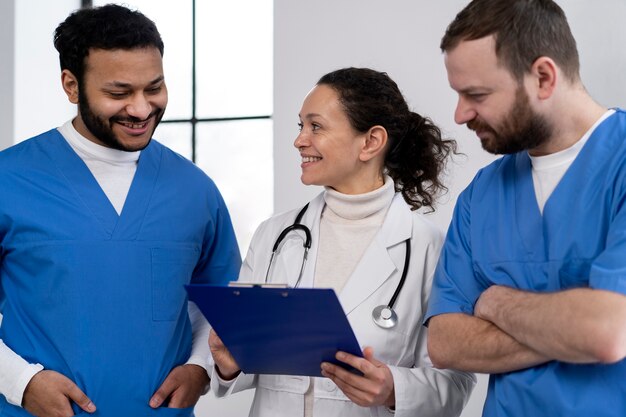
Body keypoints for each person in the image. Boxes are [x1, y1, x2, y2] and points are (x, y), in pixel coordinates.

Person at [0, 4, 241, 417]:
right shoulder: (10, 178)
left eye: (154, 88)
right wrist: (20, 382)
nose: (142, 109)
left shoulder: (195, 190)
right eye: (119, 93)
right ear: (72, 86)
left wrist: (200, 367)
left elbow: (221, 301)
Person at [208, 67, 475, 417]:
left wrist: (396, 389)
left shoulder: (429, 248)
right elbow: (244, 360)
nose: (300, 140)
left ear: (370, 142)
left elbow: (457, 381)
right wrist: (230, 363)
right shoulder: (275, 235)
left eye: (315, 126)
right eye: (300, 125)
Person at [424, 0, 626, 416]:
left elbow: (606, 331)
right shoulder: (482, 194)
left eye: (475, 94)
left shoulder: (618, 165)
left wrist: (496, 303)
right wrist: (569, 326)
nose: (460, 114)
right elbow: (444, 342)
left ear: (543, 77)